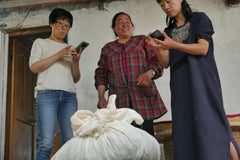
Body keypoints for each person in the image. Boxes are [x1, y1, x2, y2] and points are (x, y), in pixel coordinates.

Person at [146, 0, 240, 159]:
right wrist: (160, 48)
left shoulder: (199, 19)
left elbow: (203, 48)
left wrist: (172, 44)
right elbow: (165, 63)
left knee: (214, 125)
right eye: (161, 4)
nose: (166, 7)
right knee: (186, 128)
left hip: (203, 81)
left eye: (168, 1)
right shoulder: (168, 31)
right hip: (180, 87)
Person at [94, 12, 167, 136]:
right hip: (120, 103)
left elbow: (157, 61)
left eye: (127, 21)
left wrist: (149, 74)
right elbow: (101, 74)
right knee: (124, 141)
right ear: (114, 28)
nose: (124, 24)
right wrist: (101, 97)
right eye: (120, 22)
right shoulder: (108, 49)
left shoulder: (142, 40)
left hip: (143, 98)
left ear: (132, 26)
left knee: (147, 139)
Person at [29, 8, 81, 160]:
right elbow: (34, 67)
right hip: (47, 94)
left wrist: (76, 61)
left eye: (67, 25)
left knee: (69, 142)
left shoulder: (70, 49)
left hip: (69, 96)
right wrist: (59, 55)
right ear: (51, 24)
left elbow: (75, 78)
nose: (64, 28)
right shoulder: (40, 43)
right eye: (60, 23)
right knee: (45, 142)